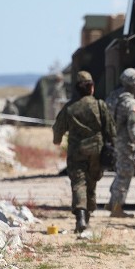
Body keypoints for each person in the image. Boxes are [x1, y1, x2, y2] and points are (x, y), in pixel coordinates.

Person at [53, 71, 115, 233]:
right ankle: (87, 216)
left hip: (76, 151)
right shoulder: (100, 105)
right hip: (96, 150)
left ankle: (80, 217)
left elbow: (58, 128)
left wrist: (57, 140)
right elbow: (110, 130)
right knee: (92, 182)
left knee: (79, 183)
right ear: (91, 87)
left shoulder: (70, 107)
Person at [107, 68, 135, 218]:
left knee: (120, 172)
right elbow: (133, 127)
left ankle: (113, 203)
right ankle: (116, 208)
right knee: (125, 174)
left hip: (115, 139)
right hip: (126, 143)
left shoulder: (114, 96)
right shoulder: (130, 103)